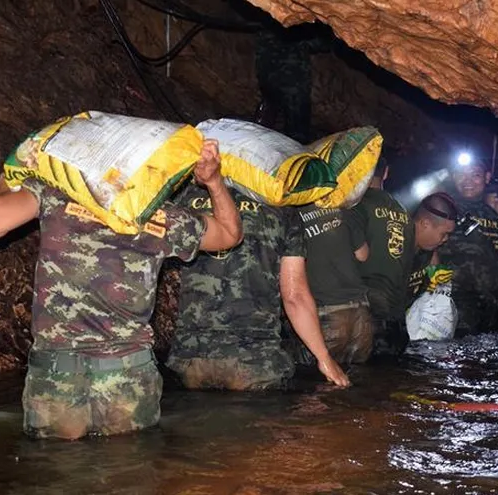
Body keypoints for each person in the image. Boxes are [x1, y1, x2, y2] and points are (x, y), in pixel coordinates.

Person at [0, 140, 243, 440]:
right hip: (128, 377)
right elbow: (230, 233)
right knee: (128, 472)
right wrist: (214, 182)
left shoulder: (56, 194)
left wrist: (11, 182)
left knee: (57, 476)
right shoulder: (164, 218)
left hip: (58, 375)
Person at [167, 179, 350, 391]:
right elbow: (295, 296)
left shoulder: (184, 198)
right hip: (255, 360)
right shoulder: (282, 208)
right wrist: (325, 358)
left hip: (191, 359)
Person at [437, 158, 498, 337]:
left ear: (487, 177)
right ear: (452, 176)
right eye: (461, 174)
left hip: (487, 303)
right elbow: (425, 250)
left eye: (475, 175)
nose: (467, 181)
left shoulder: (492, 216)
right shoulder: (443, 207)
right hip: (452, 300)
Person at [347, 161, 412, 357]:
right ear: (386, 173)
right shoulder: (404, 211)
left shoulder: (356, 205)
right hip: (397, 316)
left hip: (369, 312)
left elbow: (356, 254)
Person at [297, 202, 373, 364]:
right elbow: (363, 254)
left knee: (319, 381)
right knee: (360, 381)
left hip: (327, 312)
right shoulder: (342, 207)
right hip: (361, 313)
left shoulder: (292, 212)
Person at [406, 193, 458, 304]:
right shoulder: (393, 248)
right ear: (425, 224)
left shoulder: (430, 254)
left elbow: (438, 294)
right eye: (444, 234)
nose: (445, 239)